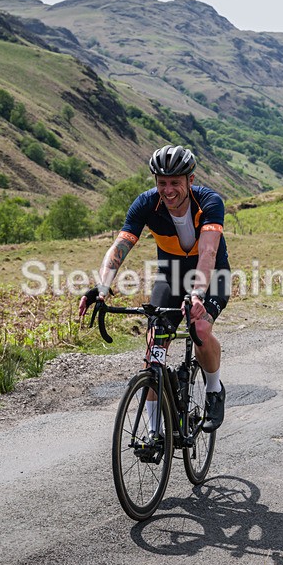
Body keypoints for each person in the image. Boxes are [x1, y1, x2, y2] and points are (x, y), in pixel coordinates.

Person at [78, 145, 230, 433]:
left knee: (199, 329)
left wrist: (197, 294)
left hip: (213, 275)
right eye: (162, 183)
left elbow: (208, 254)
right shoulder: (146, 204)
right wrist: (102, 286)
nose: (168, 190)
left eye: (175, 183)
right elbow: (120, 246)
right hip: (170, 276)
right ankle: (153, 431)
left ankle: (213, 389)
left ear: (190, 180)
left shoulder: (210, 202)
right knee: (154, 349)